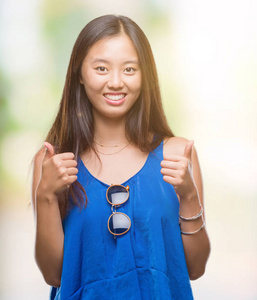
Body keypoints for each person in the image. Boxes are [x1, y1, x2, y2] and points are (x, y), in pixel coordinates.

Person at [31, 15, 210, 299]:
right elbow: (54, 274)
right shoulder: (54, 160)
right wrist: (45, 196)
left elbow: (195, 268)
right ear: (79, 73)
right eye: (101, 68)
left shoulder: (178, 153)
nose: (115, 82)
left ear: (145, 75)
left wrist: (189, 196)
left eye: (129, 69)